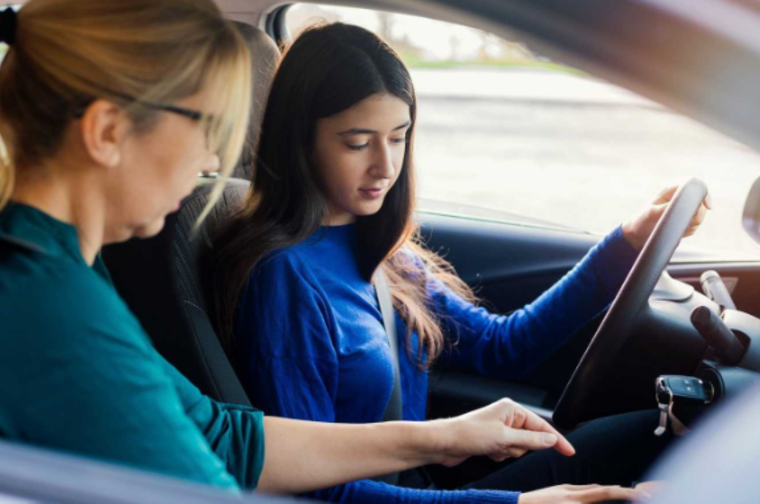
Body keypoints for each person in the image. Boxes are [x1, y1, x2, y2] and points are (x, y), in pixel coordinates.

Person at [0, 1, 592, 497]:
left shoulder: (70, 275)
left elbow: (225, 437)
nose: (212, 162)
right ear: (107, 132)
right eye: (207, 130)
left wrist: (446, 436)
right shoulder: (46, 305)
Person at [214, 22, 711, 503]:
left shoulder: (383, 252)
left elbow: (504, 346)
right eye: (357, 142)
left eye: (399, 136)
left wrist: (629, 241)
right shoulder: (285, 281)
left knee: (666, 432)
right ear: (301, 140)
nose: (385, 167)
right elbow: (311, 490)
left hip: (424, 485)